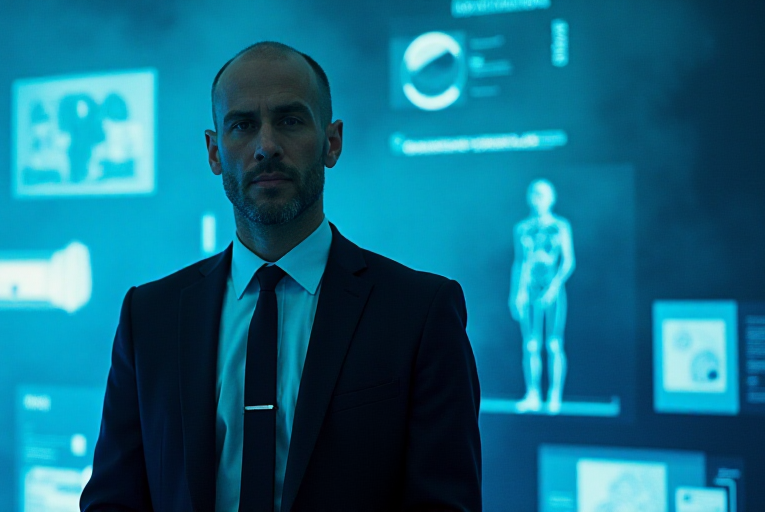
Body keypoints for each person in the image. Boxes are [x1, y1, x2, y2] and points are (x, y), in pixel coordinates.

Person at [80, 41, 482, 512]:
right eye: (242, 125)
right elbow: (113, 502)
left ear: (332, 141)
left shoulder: (420, 312)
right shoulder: (148, 317)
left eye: (290, 121)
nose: (266, 146)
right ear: (214, 152)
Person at [509, 179, 575, 415]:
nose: (538, 199)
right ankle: (533, 394)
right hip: (529, 289)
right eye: (534, 194)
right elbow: (519, 262)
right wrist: (516, 293)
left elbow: (568, 261)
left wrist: (554, 287)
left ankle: (555, 395)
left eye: (543, 195)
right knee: (530, 344)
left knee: (554, 343)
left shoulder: (560, 226)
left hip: (553, 289)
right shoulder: (522, 228)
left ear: (552, 198)